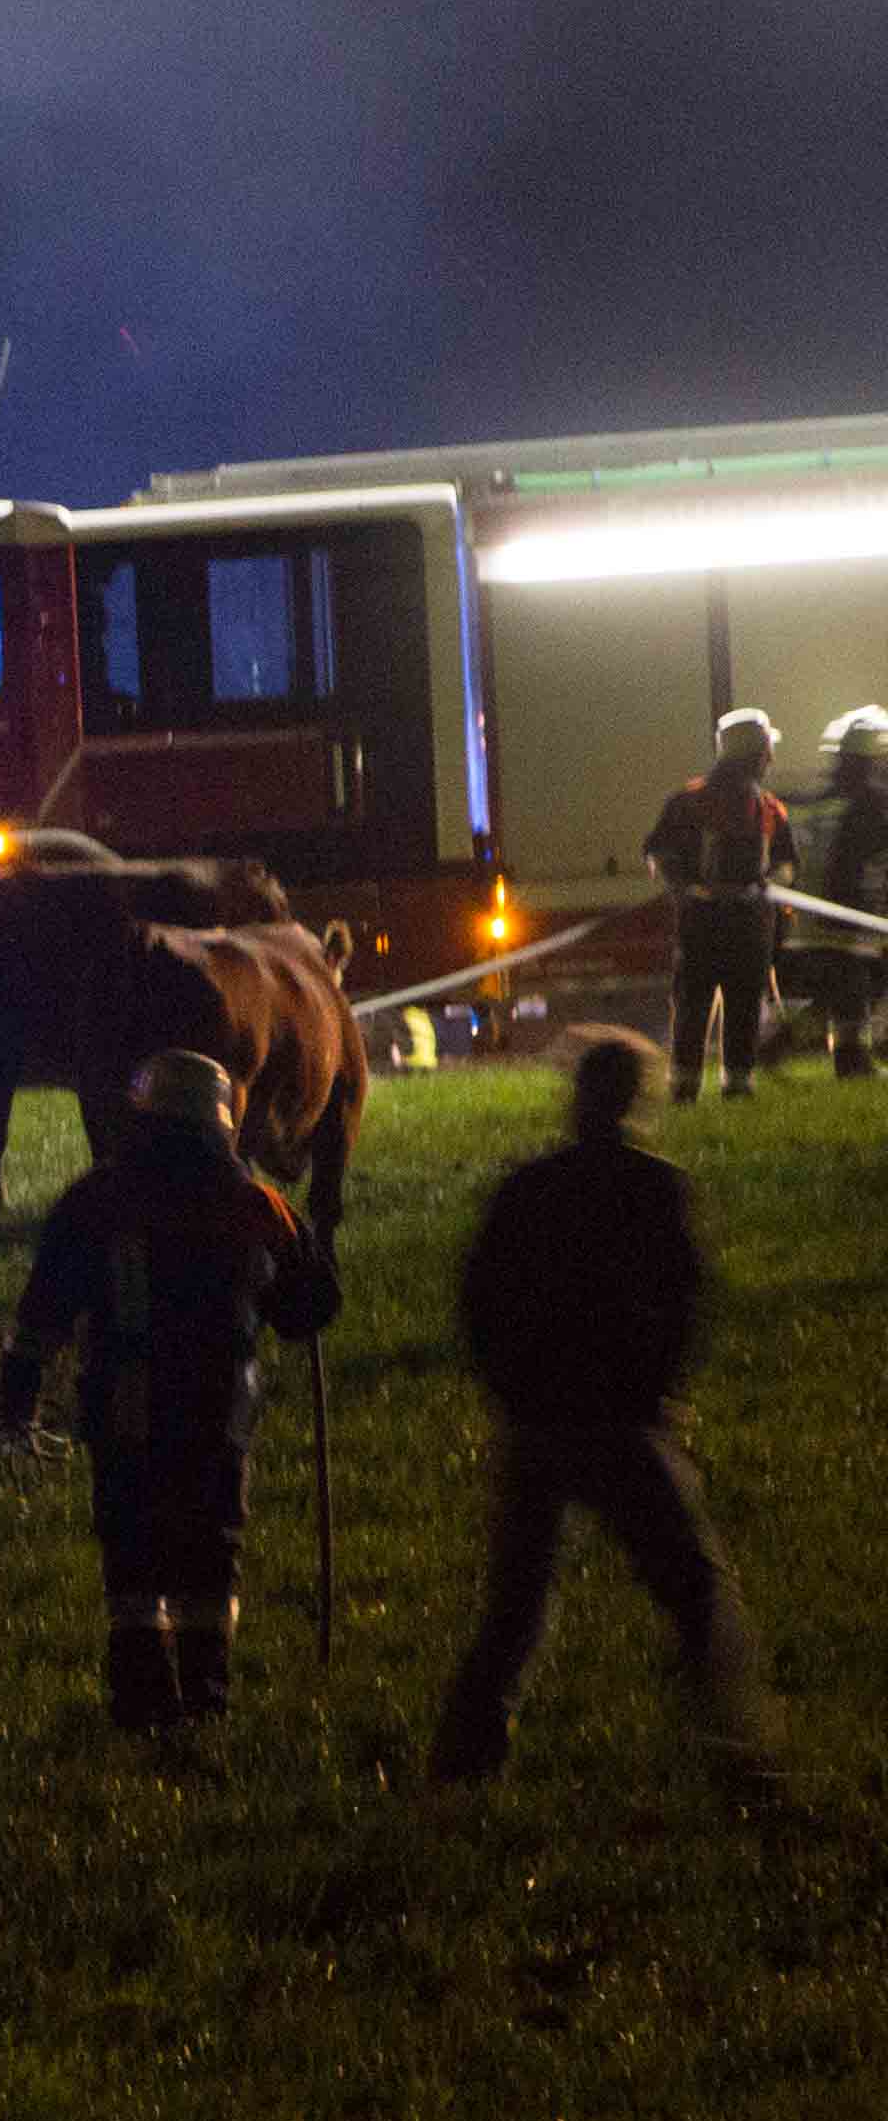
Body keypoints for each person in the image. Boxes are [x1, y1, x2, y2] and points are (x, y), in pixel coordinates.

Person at [427, 1034, 774, 1788]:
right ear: (637, 1101)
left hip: (538, 1422)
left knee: (516, 1605)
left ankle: (463, 1761)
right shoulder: (658, 1189)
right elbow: (685, 1304)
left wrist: (510, 1392)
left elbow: (477, 1302)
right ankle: (738, 1748)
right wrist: (660, 1393)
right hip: (621, 1422)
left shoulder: (526, 1188)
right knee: (697, 1590)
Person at [0, 1048, 338, 1734]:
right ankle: (205, 1702)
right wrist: (304, 1258)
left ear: (140, 1118)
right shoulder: (256, 1205)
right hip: (219, 1415)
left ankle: (141, 1705)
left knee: (132, 1556)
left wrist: (18, 1399)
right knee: (211, 1550)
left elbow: (40, 1316)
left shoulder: (96, 1201)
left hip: (125, 1412)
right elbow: (310, 1310)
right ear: (220, 1121)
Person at [645, 708, 793, 1100]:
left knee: (701, 1005)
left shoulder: (692, 801)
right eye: (766, 751)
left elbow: (657, 854)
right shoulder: (760, 808)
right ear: (755, 754)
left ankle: (696, 1088)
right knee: (721, 1004)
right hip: (731, 925)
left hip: (712, 924)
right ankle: (714, 1087)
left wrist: (686, 888)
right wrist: (690, 888)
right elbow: (786, 865)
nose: (770, 759)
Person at [784, 708, 888, 1079]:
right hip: (845, 911)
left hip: (813, 912)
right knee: (851, 986)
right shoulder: (867, 803)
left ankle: (848, 1056)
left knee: (846, 988)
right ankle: (845, 1058)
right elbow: (862, 860)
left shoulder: (823, 798)